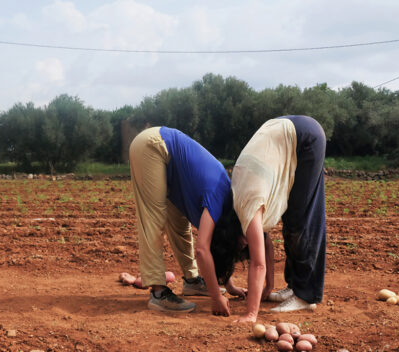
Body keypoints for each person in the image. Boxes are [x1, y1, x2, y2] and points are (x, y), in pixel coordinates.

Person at [212, 115, 326, 323]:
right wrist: (269, 286)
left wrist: (251, 314)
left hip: (305, 138)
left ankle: (305, 295)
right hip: (283, 128)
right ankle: (294, 286)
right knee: (291, 217)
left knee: (299, 221)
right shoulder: (233, 209)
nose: (244, 250)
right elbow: (265, 244)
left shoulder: (247, 210)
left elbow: (258, 264)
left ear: (235, 241)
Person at [129, 126, 245, 315]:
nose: (243, 246)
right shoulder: (217, 200)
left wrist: (228, 286)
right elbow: (203, 249)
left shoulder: (227, 214)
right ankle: (159, 294)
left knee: (180, 226)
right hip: (153, 146)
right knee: (154, 219)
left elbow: (219, 248)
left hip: (172, 169)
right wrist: (216, 297)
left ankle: (192, 282)